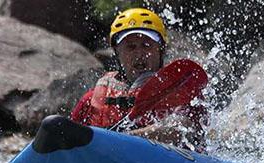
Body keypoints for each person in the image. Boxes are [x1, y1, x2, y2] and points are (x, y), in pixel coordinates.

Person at [70, 8, 208, 153]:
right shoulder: (91, 99)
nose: (140, 54)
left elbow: (181, 129)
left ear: (161, 49)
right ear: (117, 52)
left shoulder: (181, 89)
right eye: (131, 47)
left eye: (147, 45)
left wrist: (120, 139)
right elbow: (69, 140)